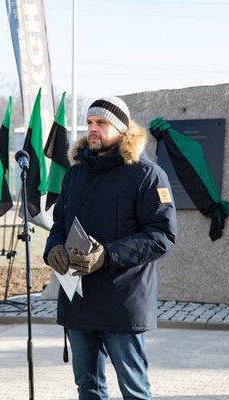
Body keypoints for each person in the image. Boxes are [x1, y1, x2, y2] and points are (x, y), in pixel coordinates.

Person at [44, 96, 177, 399]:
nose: (92, 129)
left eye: (101, 123)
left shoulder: (146, 174)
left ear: (121, 129)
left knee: (134, 390)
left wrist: (106, 255)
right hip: (77, 300)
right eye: (90, 122)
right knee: (87, 388)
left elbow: (162, 236)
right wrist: (53, 248)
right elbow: (60, 222)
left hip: (123, 302)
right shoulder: (75, 174)